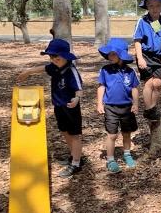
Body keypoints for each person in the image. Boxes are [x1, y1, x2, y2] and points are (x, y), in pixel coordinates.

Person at [16, 39, 83, 178]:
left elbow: (79, 89)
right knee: (65, 131)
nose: (53, 59)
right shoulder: (54, 67)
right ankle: (73, 157)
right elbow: (43, 68)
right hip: (58, 106)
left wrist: (76, 99)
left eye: (56, 56)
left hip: (71, 107)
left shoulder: (71, 70)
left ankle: (76, 163)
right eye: (51, 56)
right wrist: (28, 72)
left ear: (65, 55)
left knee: (74, 134)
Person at [97, 38, 140, 173]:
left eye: (113, 54)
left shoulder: (130, 72)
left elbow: (134, 88)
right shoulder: (105, 70)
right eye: (109, 54)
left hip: (127, 107)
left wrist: (136, 104)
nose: (110, 56)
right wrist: (99, 103)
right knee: (112, 134)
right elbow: (101, 86)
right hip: (110, 107)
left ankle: (127, 154)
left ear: (121, 55)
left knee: (126, 133)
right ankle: (110, 160)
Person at [133, 0, 161, 121]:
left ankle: (153, 107)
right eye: (151, 6)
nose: (154, 9)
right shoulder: (142, 22)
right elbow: (137, 41)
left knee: (157, 84)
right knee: (149, 83)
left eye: (157, 5)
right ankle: (148, 109)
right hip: (144, 55)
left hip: (157, 57)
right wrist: (139, 58)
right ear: (147, 7)